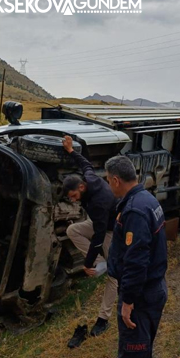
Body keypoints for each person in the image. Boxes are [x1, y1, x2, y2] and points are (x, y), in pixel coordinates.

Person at [105, 156, 168, 358]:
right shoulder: (148, 200)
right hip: (153, 290)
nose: (109, 186)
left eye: (109, 182)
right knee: (142, 354)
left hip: (140, 298)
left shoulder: (134, 211)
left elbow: (136, 262)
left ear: (116, 180)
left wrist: (128, 302)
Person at [62, 136, 117, 347]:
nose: (73, 200)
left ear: (82, 188)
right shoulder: (89, 178)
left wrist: (86, 264)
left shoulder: (97, 203)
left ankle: (103, 320)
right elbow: (85, 163)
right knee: (73, 229)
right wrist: (70, 150)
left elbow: (99, 237)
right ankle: (99, 263)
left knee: (114, 276)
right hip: (99, 224)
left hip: (111, 230)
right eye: (70, 198)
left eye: (74, 196)